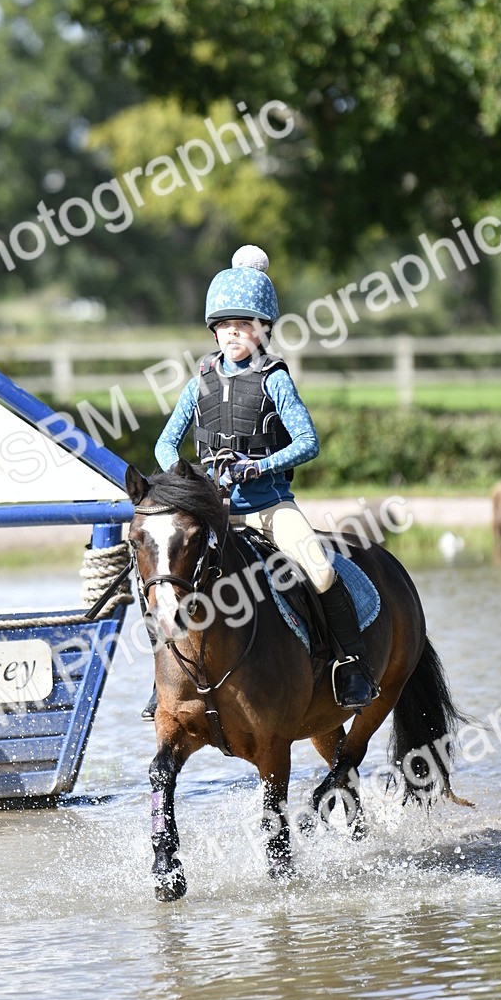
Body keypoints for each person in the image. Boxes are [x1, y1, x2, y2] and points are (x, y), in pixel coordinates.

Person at [141, 244, 379, 720]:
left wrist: (259, 466)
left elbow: (308, 442)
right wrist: (187, 477)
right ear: (214, 330)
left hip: (269, 507)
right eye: (226, 325)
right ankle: (163, 680)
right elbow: (165, 445)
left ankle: (351, 666)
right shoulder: (199, 382)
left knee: (321, 571)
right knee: (169, 578)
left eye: (244, 324)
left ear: (263, 330)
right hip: (215, 513)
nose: (234, 332)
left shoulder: (275, 380)